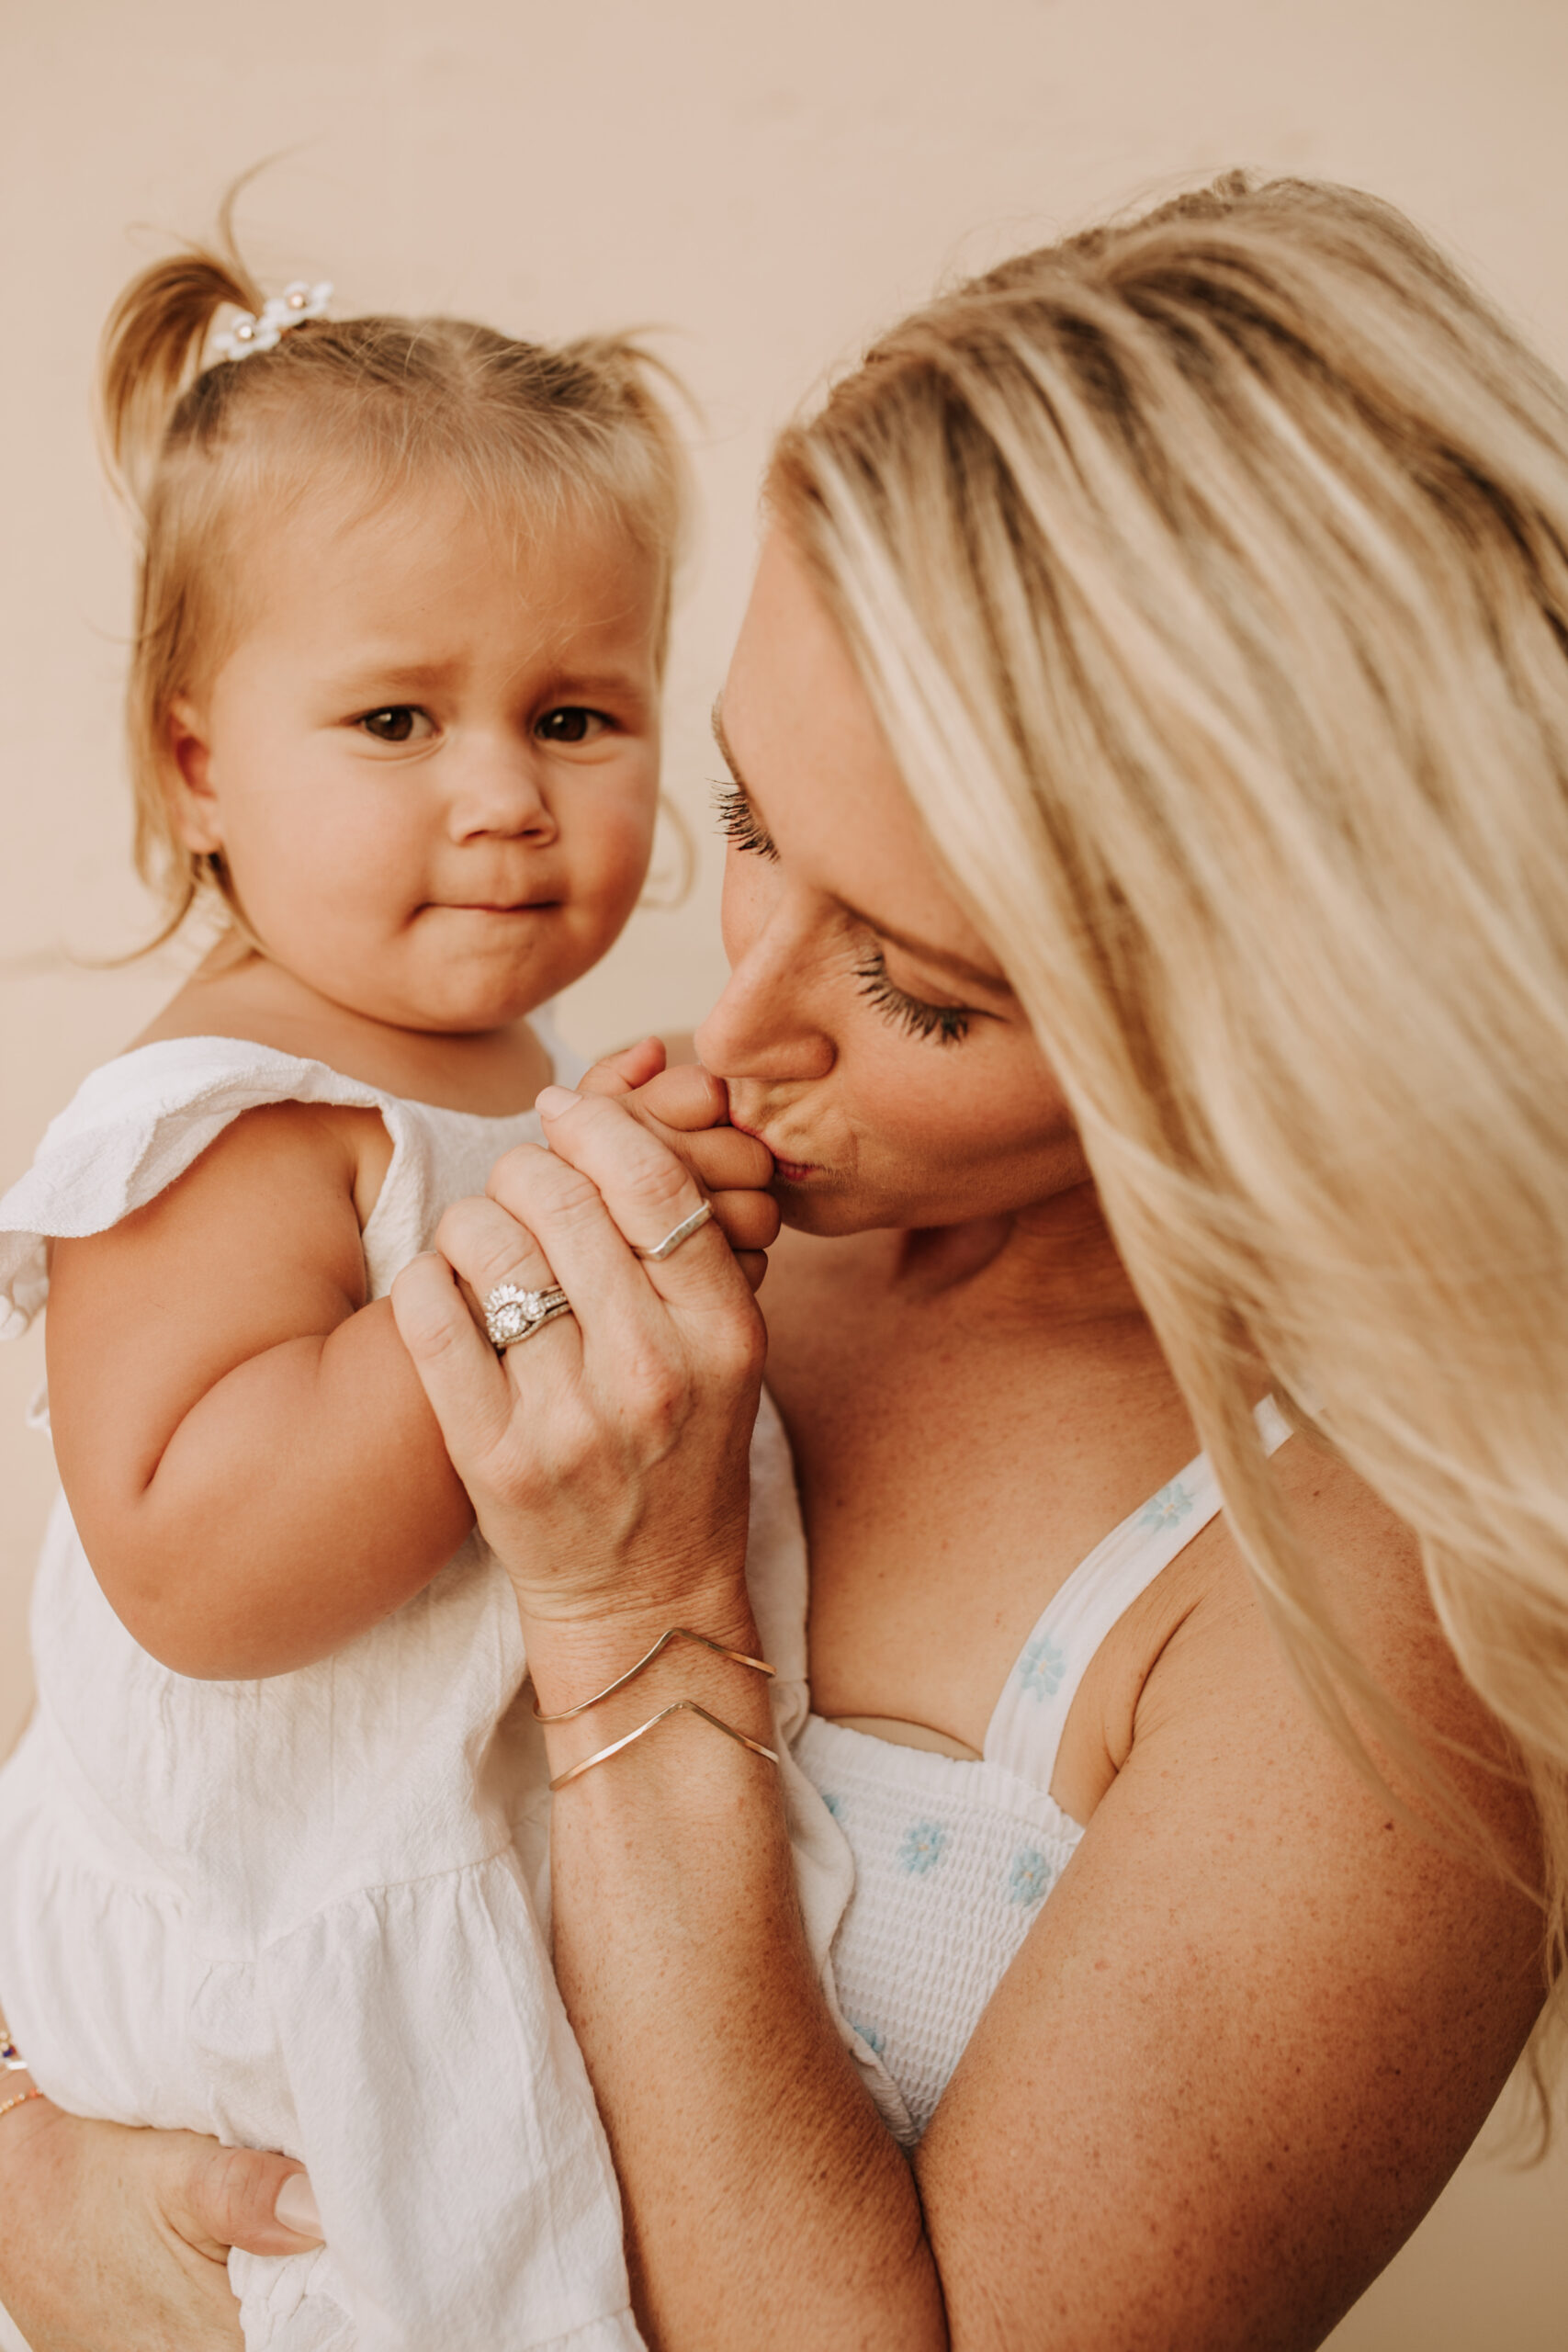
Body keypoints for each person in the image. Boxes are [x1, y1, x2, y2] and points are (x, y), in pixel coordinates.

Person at [1, 169, 1562, 2350]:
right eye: (747, 823)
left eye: (914, 989)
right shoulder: (568, 1178)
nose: (729, 1023)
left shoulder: (1383, 1603)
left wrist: (638, 1621)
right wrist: (37, 2179)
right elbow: (212, 1799)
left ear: (1268, 1015)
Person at [0, 219, 787, 2352]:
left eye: (572, 712)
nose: (503, 798)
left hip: (468, 1919)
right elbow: (190, 1557)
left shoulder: (498, 1077)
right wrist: (546, 1246)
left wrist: (638, 1198)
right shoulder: (222, 1103)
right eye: (393, 717)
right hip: (286, 1984)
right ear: (196, 764)